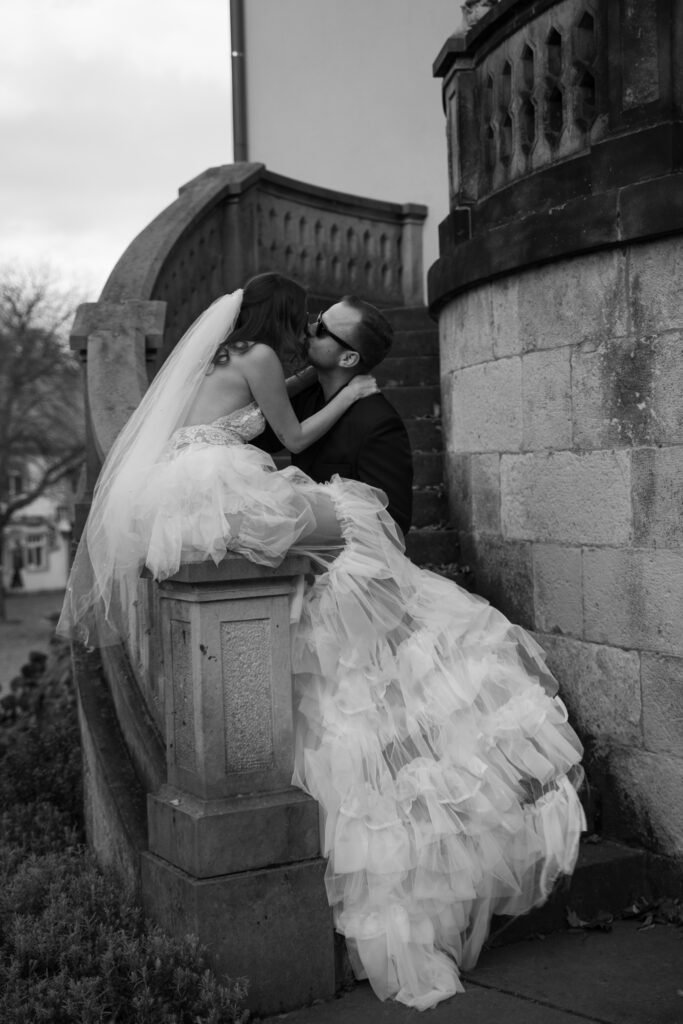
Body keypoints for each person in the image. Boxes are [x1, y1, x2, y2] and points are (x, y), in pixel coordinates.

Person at [59, 275, 586, 1011]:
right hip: (219, 484)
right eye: (307, 322)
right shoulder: (280, 370)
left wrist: (348, 409)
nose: (308, 332)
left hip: (195, 488)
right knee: (340, 524)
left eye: (324, 331)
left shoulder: (255, 367)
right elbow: (296, 436)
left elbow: (358, 489)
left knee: (351, 528)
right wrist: (350, 393)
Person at [257, 296, 413, 536]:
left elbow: (393, 521)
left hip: (347, 562)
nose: (308, 328)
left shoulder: (379, 423)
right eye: (318, 318)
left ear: (348, 358)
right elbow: (255, 437)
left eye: (321, 329)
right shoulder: (307, 395)